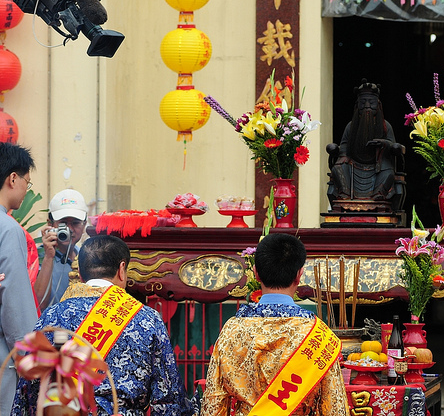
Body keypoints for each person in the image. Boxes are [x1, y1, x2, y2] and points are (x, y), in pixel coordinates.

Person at [12, 235, 194, 416]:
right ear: (122, 269)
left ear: (81, 274)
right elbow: (168, 399)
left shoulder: (53, 316)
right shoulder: (147, 319)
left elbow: (29, 388)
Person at [201, 233, 348, 416]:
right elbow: (334, 408)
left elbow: (214, 403)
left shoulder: (232, 329)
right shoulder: (317, 334)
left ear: (256, 273)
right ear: (299, 275)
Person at [0, 142, 39, 416]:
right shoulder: (8, 229)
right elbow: (14, 302)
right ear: (13, 178)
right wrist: (30, 358)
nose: (27, 189)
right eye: (27, 181)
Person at [327, 79, 404, 207]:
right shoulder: (351, 126)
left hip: (378, 166)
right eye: (363, 102)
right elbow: (344, 146)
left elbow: (394, 145)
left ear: (378, 105)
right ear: (357, 106)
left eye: (371, 102)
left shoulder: (386, 126)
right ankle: (345, 194)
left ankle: (379, 194)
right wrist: (337, 151)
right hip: (354, 164)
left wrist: (383, 143)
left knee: (389, 172)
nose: (367, 105)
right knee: (338, 168)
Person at [34, 189, 89, 311]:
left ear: (84, 225)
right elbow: (37, 306)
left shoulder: (85, 258)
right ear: (50, 224)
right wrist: (48, 257)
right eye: (63, 223)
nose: (69, 229)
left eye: (75, 223)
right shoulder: (36, 258)